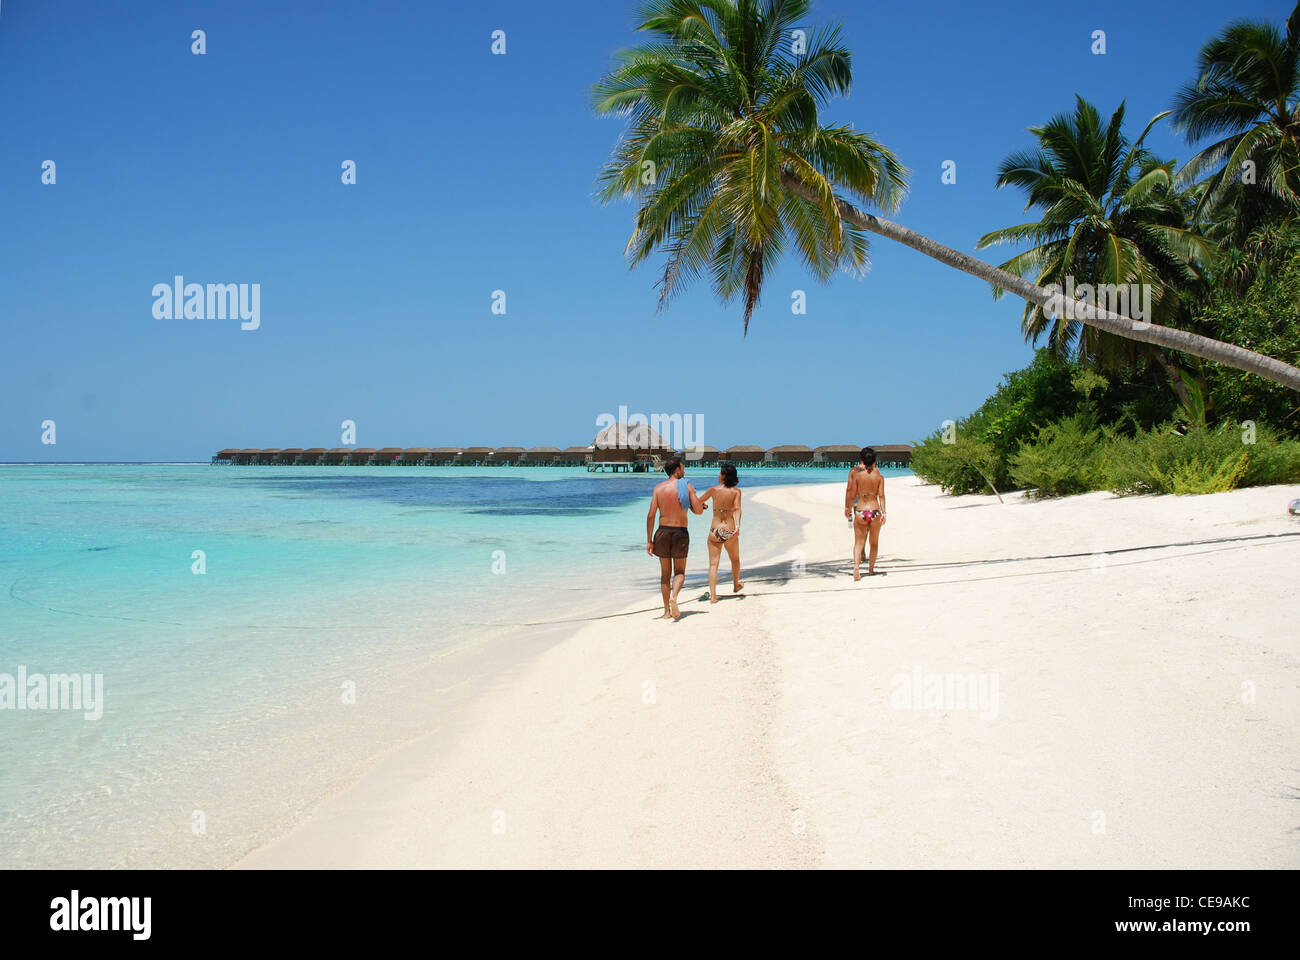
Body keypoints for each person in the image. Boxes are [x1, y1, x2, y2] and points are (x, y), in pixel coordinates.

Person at [646, 457, 706, 619]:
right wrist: (700, 504)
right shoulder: (686, 486)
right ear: (677, 470)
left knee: (665, 574)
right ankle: (675, 596)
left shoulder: (658, 489)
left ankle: (666, 611)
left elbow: (651, 515)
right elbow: (698, 511)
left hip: (662, 532)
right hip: (680, 532)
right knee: (679, 572)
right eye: (683, 467)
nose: (685, 470)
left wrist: (649, 540)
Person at [698, 463, 744, 603]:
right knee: (735, 559)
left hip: (715, 530)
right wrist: (738, 526)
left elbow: (697, 502)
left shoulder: (713, 490)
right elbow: (737, 509)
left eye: (720, 473)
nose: (718, 475)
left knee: (713, 564)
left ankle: (713, 596)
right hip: (729, 529)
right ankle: (736, 585)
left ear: (724, 476)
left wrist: (703, 505)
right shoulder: (736, 492)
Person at [844, 446, 886, 580]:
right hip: (874, 511)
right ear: (874, 460)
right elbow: (882, 496)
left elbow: (850, 492)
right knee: (874, 543)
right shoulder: (879, 475)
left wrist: (848, 508)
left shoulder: (855, 473)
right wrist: (884, 513)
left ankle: (856, 567)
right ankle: (871, 570)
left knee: (858, 542)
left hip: (861, 509)